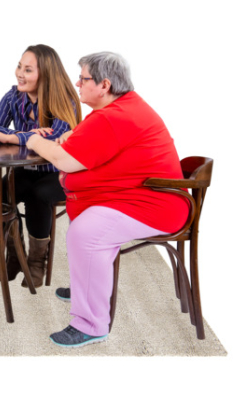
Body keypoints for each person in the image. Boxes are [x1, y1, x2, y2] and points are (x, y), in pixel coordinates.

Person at [24, 51, 189, 347]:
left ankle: (91, 325)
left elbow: (64, 160)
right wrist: (70, 137)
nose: (77, 83)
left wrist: (33, 139)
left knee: (87, 233)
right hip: (143, 199)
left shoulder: (116, 116)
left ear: (104, 85)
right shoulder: (121, 108)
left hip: (156, 208)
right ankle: (86, 287)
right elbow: (88, 143)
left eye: (84, 78)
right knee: (87, 220)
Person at [0, 44, 81, 288]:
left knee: (40, 195)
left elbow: (54, 138)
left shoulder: (65, 100)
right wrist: (29, 134)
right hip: (25, 170)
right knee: (3, 190)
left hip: (59, 173)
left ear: (45, 74)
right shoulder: (14, 96)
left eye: (28, 70)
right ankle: (15, 256)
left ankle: (37, 264)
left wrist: (13, 136)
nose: (19, 74)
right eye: (19, 66)